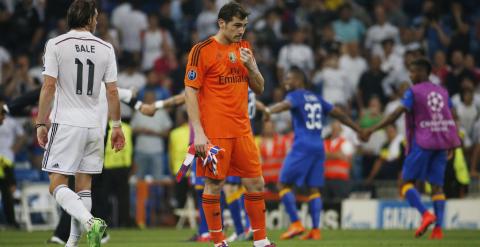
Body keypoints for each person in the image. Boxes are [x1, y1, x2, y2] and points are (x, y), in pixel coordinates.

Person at [184, 2, 274, 247]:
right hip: (215, 131)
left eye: (244, 25)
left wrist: (252, 67)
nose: (241, 30)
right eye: (236, 25)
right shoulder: (201, 50)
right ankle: (218, 242)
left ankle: (261, 240)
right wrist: (199, 133)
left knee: (256, 182)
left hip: (242, 129)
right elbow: (190, 92)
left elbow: (260, 87)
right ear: (221, 23)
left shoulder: (244, 47)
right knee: (214, 184)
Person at [36, 1, 125, 247]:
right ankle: (73, 244)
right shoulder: (106, 47)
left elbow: (49, 86)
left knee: (56, 184)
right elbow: (113, 92)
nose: (97, 21)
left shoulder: (56, 44)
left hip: (67, 123)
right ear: (88, 19)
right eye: (95, 16)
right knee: (83, 185)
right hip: (95, 126)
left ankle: (89, 221)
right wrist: (116, 126)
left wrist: (40, 123)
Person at [362, 58, 461, 239]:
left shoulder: (413, 92)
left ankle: (425, 214)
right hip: (441, 143)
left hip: (422, 142)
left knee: (404, 183)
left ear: (423, 72)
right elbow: (451, 115)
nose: (410, 74)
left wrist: (373, 129)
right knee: (437, 187)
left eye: (413, 71)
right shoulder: (442, 91)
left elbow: (396, 113)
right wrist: (452, 142)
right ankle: (438, 231)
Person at [263, 66, 363, 240]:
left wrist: (269, 111)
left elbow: (285, 105)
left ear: (300, 80)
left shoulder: (295, 96)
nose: (286, 82)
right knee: (313, 188)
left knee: (282, 185)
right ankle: (315, 230)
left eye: (289, 78)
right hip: (318, 146)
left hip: (302, 146)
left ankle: (296, 223)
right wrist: (359, 129)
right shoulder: (317, 98)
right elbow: (339, 113)